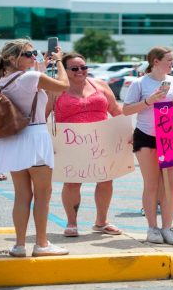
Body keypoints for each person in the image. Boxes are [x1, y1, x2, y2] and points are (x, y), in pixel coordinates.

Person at [0, 38, 70, 257]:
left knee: (21, 195)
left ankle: (19, 245)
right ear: (13, 57)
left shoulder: (3, 80)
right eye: (29, 54)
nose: (33, 56)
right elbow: (64, 86)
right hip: (35, 137)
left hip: (14, 138)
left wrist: (40, 66)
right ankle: (41, 244)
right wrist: (58, 62)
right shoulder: (31, 77)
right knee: (43, 195)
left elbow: (30, 88)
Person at [46, 52, 123, 238]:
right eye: (74, 68)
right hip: (71, 144)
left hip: (102, 142)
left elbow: (115, 110)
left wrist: (127, 132)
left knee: (106, 181)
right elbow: (42, 117)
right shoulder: (55, 89)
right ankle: (72, 223)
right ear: (64, 70)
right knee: (73, 182)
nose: (80, 71)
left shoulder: (100, 85)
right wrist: (48, 142)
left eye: (83, 67)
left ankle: (101, 222)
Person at [123, 46, 173, 245]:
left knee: (172, 184)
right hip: (146, 135)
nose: (172, 63)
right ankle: (152, 227)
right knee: (152, 183)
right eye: (169, 59)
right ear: (156, 61)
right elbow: (126, 110)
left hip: (172, 137)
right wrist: (149, 101)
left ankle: (168, 226)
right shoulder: (140, 82)